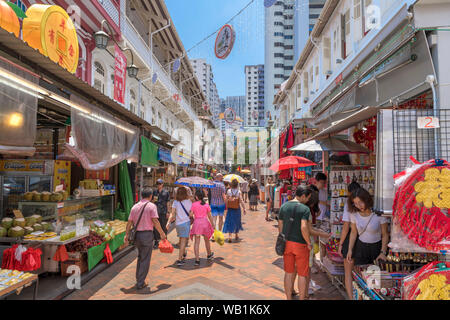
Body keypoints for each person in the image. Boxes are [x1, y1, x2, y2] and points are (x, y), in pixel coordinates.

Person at [346, 188, 389, 291]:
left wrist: (383, 252)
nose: (358, 206)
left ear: (366, 200)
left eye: (360, 202)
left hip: (376, 249)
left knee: (374, 283)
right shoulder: (354, 214)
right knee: (361, 281)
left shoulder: (378, 214)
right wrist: (350, 249)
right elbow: (353, 232)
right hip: (361, 248)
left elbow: (385, 234)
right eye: (355, 203)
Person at [125, 187, 166, 290]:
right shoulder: (151, 206)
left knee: (140, 257)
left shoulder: (134, 207)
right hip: (147, 235)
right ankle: (140, 282)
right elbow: (155, 221)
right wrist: (162, 233)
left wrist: (126, 235)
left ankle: (139, 279)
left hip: (137, 236)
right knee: (145, 259)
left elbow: (129, 223)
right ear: (151, 196)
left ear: (141, 195)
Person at [278, 186, 312, 300]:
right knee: (302, 274)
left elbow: (280, 225)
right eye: (308, 198)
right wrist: (308, 242)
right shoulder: (305, 209)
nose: (308, 200)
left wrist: (283, 238)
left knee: (288, 272)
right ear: (303, 196)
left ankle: (288, 298)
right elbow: (303, 227)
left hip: (287, 243)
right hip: (300, 245)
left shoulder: (284, 206)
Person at [338, 181, 361, 300]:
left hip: (350, 240)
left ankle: (352, 298)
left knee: (348, 273)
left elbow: (346, 227)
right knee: (360, 273)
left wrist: (341, 244)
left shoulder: (349, 205)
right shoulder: (366, 203)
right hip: (363, 240)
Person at [166, 186, 192, 267]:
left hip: (178, 224)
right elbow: (191, 213)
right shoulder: (189, 202)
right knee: (183, 241)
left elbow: (172, 214)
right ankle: (180, 259)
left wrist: (168, 222)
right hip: (186, 223)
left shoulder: (175, 202)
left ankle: (183, 253)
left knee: (181, 239)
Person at [189, 189, 215, 266]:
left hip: (197, 224)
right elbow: (210, 216)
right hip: (205, 223)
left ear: (196, 197)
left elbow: (190, 215)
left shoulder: (193, 205)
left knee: (197, 242)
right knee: (207, 240)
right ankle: (209, 254)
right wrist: (213, 224)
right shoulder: (206, 205)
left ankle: (197, 260)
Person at [152, 179, 171, 249]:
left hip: (163, 211)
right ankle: (156, 241)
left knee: (163, 226)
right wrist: (153, 200)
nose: (158, 185)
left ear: (162, 184)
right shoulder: (154, 192)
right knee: (156, 227)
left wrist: (168, 212)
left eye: (160, 183)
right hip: (155, 212)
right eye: (157, 183)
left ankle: (164, 241)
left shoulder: (166, 192)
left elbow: (168, 202)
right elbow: (152, 201)